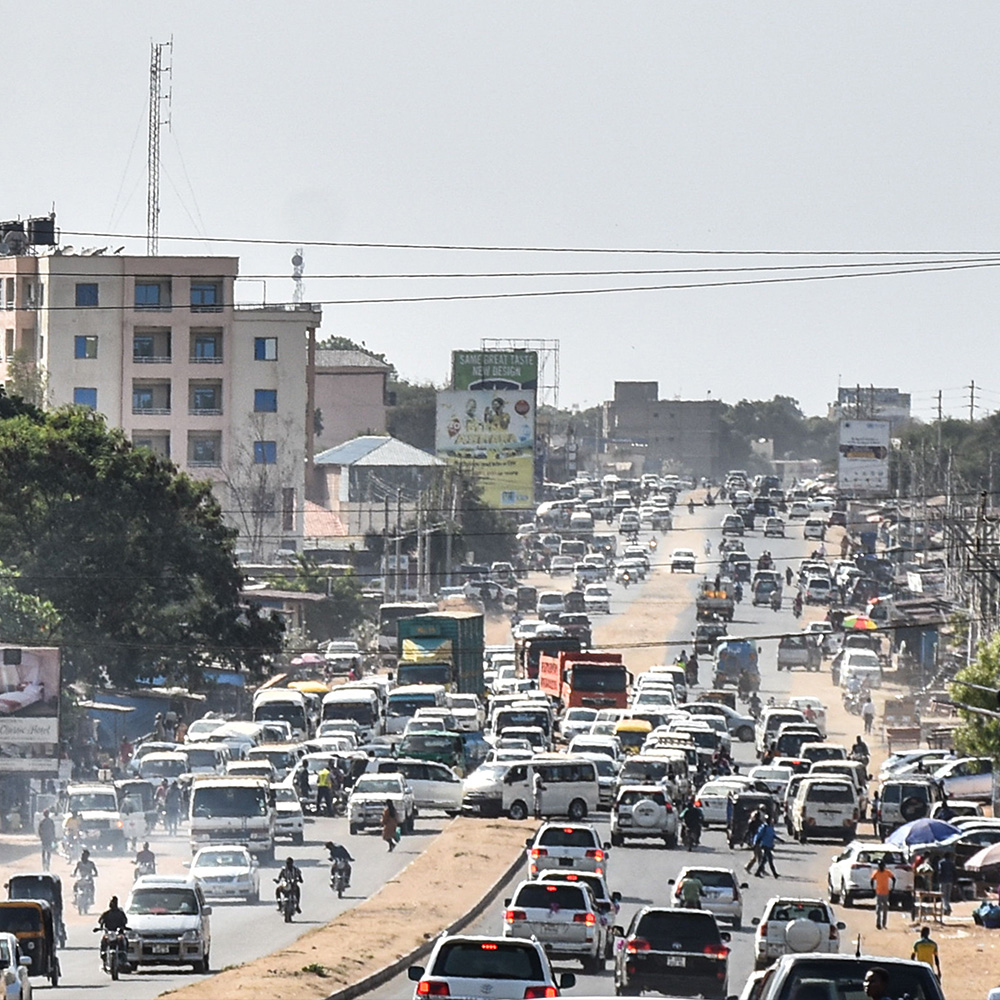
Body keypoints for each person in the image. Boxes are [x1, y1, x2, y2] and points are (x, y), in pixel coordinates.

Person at [97, 895, 129, 963]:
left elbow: (125, 921)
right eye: (112, 902)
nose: (112, 904)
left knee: (124, 940)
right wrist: (101, 926)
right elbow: (100, 920)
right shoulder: (106, 913)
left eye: (114, 902)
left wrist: (122, 927)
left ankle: (124, 956)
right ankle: (103, 954)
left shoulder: (120, 913)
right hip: (109, 933)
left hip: (118, 933)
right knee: (104, 940)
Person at [870, 859, 896, 929]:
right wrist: (873, 888)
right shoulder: (876, 872)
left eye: (882, 866)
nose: (880, 867)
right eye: (879, 866)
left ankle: (884, 924)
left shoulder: (887, 872)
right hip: (879, 892)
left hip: (886, 893)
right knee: (878, 909)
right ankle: (878, 923)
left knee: (885, 909)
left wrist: (892, 888)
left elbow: (893, 878)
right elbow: (872, 880)